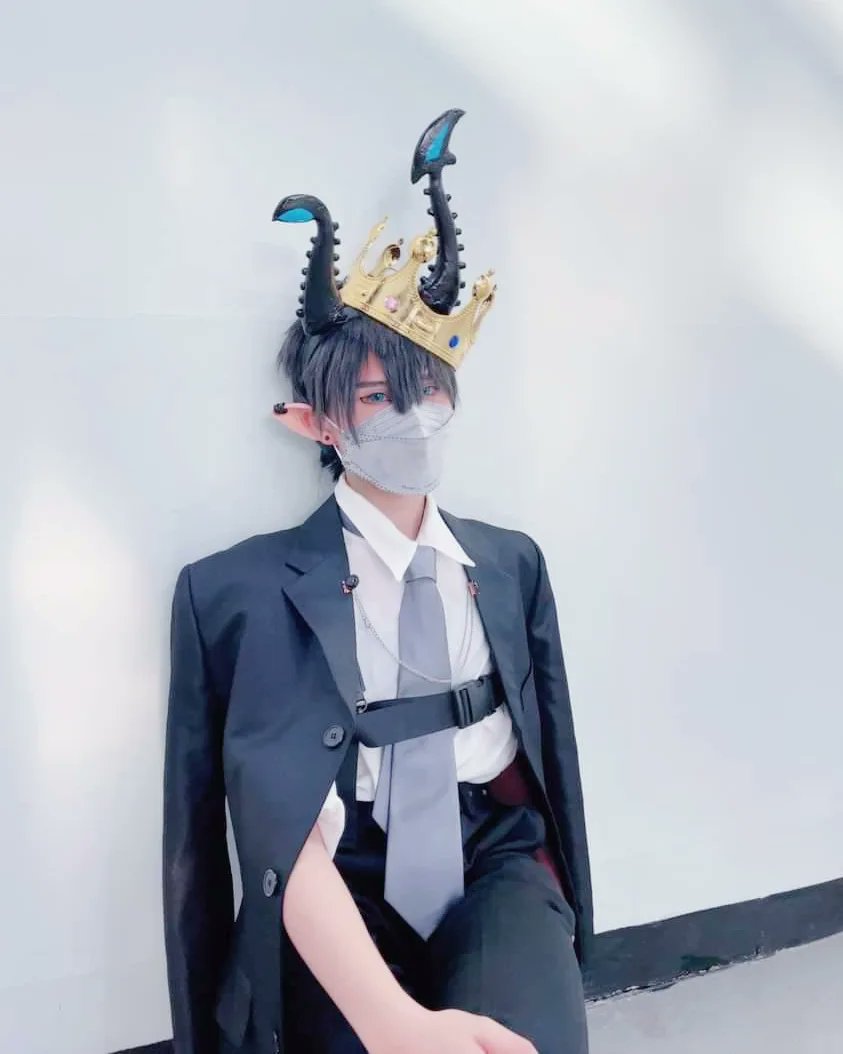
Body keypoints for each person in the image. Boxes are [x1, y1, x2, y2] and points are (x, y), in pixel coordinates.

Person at [163, 109, 593, 1054]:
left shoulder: (509, 563)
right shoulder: (241, 592)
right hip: (340, 869)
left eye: (429, 388)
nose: (414, 415)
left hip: (492, 857)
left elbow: (540, 755)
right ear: (314, 423)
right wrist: (395, 1024)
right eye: (374, 397)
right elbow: (280, 830)